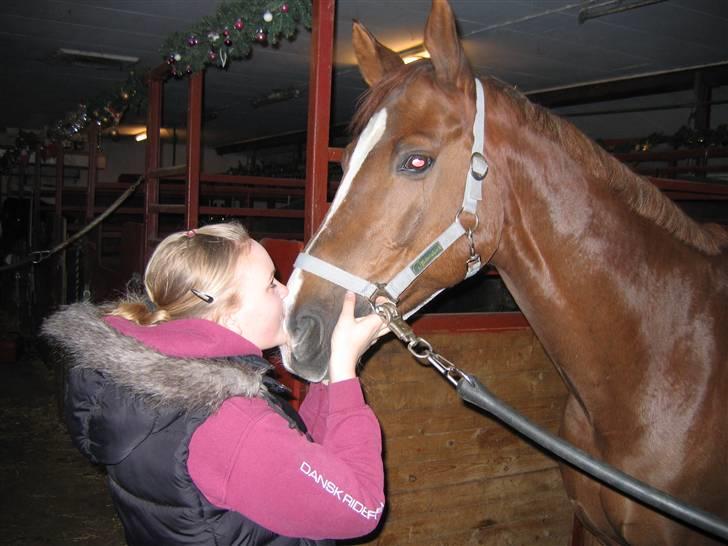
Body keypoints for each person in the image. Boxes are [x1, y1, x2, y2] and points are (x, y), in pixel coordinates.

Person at [42, 222, 387, 546]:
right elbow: (361, 508)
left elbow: (295, 458)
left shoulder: (163, 376)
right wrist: (344, 372)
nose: (285, 293)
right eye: (271, 284)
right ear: (226, 313)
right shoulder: (227, 418)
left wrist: (328, 374)